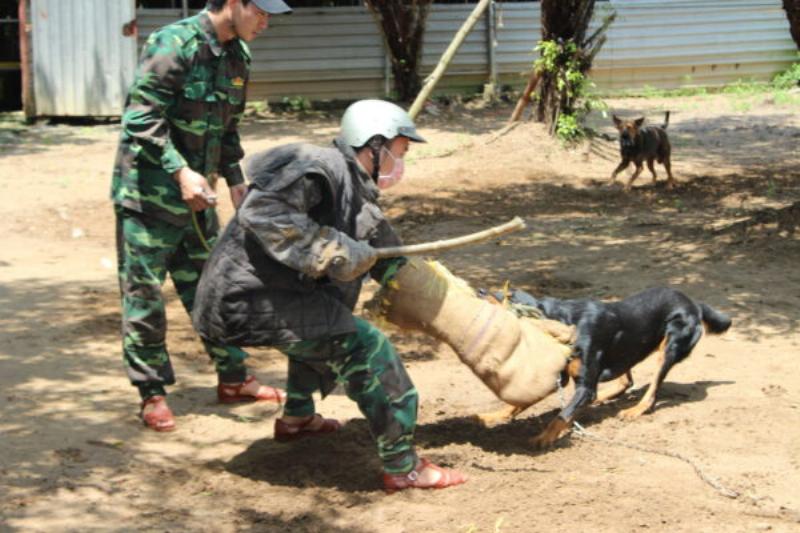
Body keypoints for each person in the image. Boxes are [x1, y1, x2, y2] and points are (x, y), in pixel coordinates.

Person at [192, 99, 467, 491]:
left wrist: (461, 304)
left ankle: (298, 418)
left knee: (326, 320)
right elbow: (263, 213)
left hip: (269, 297)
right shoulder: (316, 167)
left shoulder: (356, 188)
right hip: (246, 300)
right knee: (368, 349)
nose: (401, 164)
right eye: (400, 153)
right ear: (375, 145)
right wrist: (330, 249)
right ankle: (403, 466)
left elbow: (389, 257)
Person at [110, 0, 293, 432]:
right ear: (233, 3)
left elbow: (227, 127)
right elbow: (141, 116)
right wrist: (180, 171)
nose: (266, 22)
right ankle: (152, 393)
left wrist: (234, 178)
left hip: (199, 199)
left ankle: (233, 378)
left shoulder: (237, 55)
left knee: (213, 290)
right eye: (261, 12)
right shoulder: (174, 43)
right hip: (148, 198)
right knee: (145, 298)